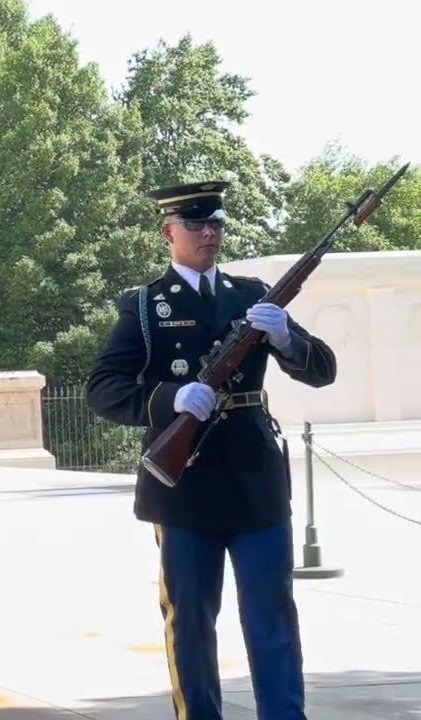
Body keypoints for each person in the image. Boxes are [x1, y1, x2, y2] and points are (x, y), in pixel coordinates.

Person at [86, 181, 337, 720]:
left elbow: (323, 369)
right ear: (168, 234)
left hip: (254, 477)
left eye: (216, 223)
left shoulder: (253, 296)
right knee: (192, 621)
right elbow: (104, 390)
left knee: (271, 614)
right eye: (196, 224)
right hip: (185, 486)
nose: (208, 233)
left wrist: (288, 342)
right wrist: (170, 397)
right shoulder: (147, 307)